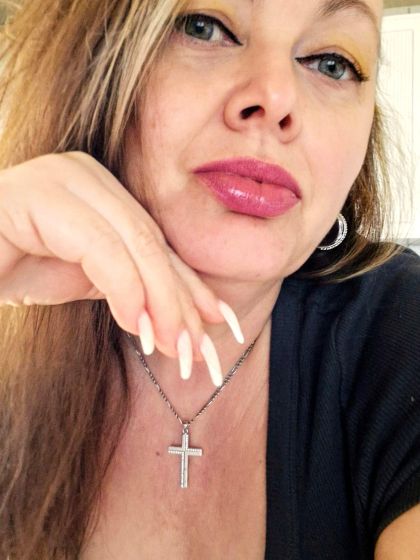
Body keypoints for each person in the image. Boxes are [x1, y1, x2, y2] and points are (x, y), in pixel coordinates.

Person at [0, 0, 419, 558]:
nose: (276, 98)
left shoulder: (402, 330)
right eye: (205, 27)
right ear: (93, 58)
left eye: (332, 62)